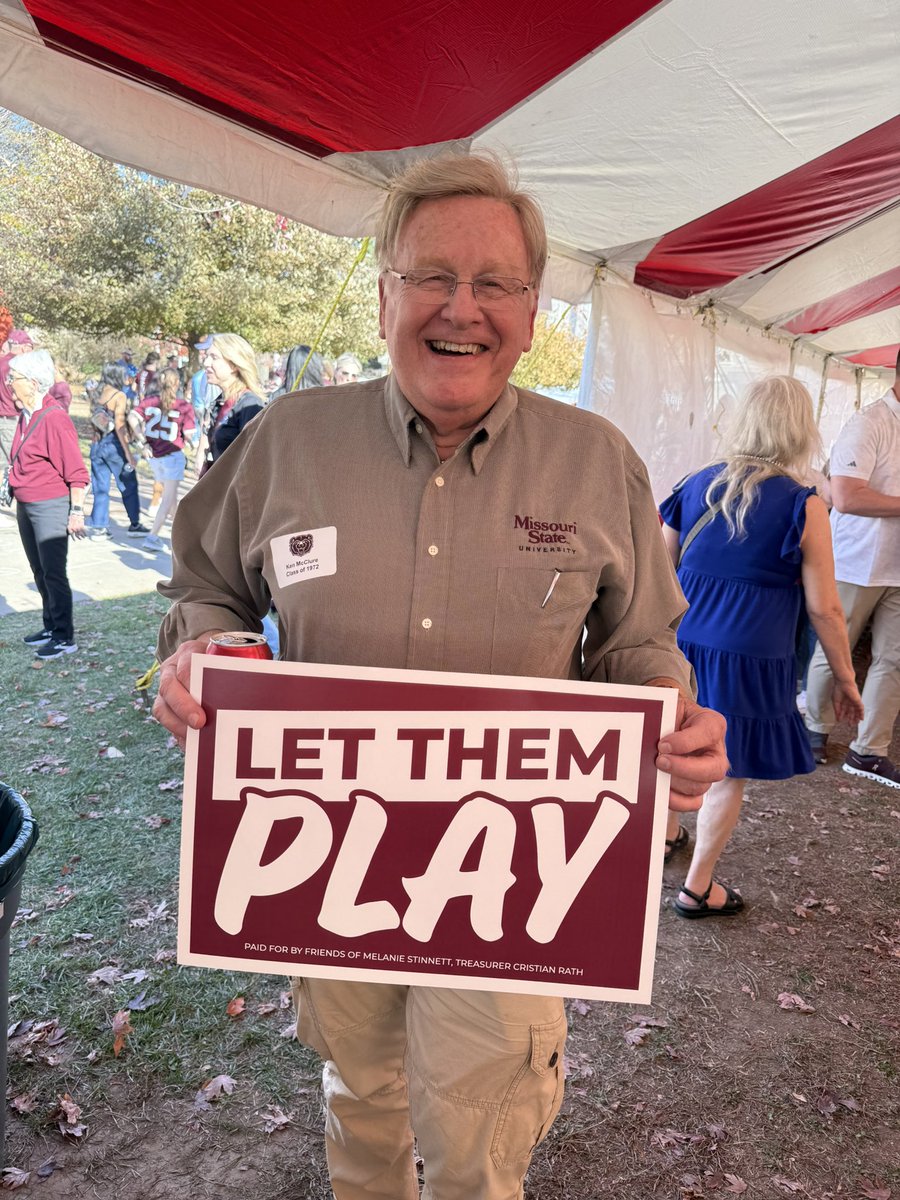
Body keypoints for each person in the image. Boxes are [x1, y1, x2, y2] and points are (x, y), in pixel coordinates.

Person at [153, 153, 727, 1200]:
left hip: (513, 889)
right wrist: (197, 649)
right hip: (325, 877)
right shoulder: (287, 442)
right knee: (362, 1106)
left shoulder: (596, 463)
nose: (461, 309)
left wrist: (671, 720)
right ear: (383, 295)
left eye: (495, 282)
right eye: (430, 276)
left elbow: (639, 641)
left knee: (481, 1135)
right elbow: (203, 586)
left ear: (532, 307)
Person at [659, 376, 864, 918]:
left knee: (677, 741)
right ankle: (698, 888)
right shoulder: (804, 504)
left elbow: (661, 573)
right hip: (750, 652)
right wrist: (844, 676)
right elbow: (825, 607)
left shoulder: (695, 483)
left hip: (683, 640)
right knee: (727, 765)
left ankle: (665, 836)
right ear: (800, 432)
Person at [805, 356, 900, 785]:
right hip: (857, 561)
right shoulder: (870, 422)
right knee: (833, 647)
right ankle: (814, 729)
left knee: (894, 660)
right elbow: (844, 497)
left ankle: (869, 750)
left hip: (897, 566)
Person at [6, 349, 88, 659]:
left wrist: (76, 511)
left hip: (50, 504)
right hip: (26, 504)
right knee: (38, 570)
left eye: (14, 378)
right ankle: (50, 625)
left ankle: (65, 636)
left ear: (32, 382)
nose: (9, 382)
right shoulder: (25, 415)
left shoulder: (54, 418)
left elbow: (77, 471)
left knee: (54, 572)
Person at [131, 367, 197, 552]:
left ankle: (183, 534)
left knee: (171, 496)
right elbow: (190, 434)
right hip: (172, 455)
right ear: (177, 384)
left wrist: (142, 441)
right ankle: (153, 536)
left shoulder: (150, 402)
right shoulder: (183, 406)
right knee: (168, 498)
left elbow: (132, 417)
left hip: (155, 456)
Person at [83, 362, 149, 537]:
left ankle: (99, 525)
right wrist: (128, 453)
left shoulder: (97, 393)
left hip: (97, 444)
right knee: (128, 483)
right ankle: (135, 523)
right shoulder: (118, 396)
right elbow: (119, 425)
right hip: (113, 445)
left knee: (100, 486)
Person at [197, 333, 264, 474]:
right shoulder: (220, 402)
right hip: (218, 489)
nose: (206, 363)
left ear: (233, 365)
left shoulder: (250, 405)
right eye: (207, 356)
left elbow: (255, 462)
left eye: (214, 357)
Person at [0, 329, 34, 462]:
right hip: (12, 420)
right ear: (25, 347)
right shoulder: (19, 366)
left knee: (1, 467)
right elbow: (20, 402)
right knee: (14, 464)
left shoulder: (1, 362)